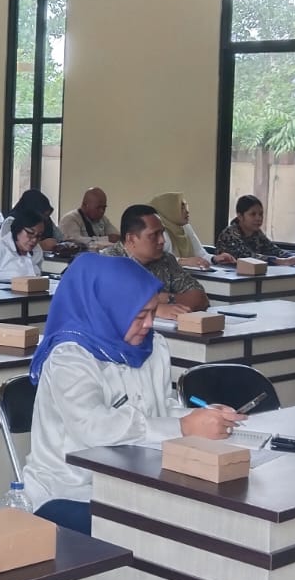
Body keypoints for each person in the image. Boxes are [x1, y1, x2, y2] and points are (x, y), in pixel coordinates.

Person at [21, 256, 240, 534]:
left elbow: (160, 409)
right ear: (108, 311)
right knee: (165, 529)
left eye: (152, 312)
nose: (148, 324)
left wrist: (202, 417)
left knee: (203, 517)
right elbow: (95, 428)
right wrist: (184, 426)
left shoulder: (152, 346)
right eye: (138, 316)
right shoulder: (70, 357)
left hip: (134, 481)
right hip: (71, 491)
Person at [100, 204, 209, 316]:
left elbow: (200, 298)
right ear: (131, 238)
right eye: (154, 235)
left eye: (162, 233)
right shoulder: (107, 262)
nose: (162, 240)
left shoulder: (166, 260)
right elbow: (110, 304)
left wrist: (167, 298)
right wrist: (156, 309)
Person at [214, 195, 295, 265]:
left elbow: (273, 250)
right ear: (240, 216)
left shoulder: (257, 233)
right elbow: (248, 257)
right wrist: (284, 261)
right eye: (253, 214)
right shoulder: (230, 234)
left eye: (261, 214)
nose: (258, 218)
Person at [149, 192, 212, 268]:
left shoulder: (186, 228)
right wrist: (184, 261)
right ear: (169, 210)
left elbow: (201, 254)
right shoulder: (161, 232)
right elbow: (156, 260)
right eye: (182, 208)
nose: (187, 211)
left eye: (186, 206)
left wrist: (214, 259)